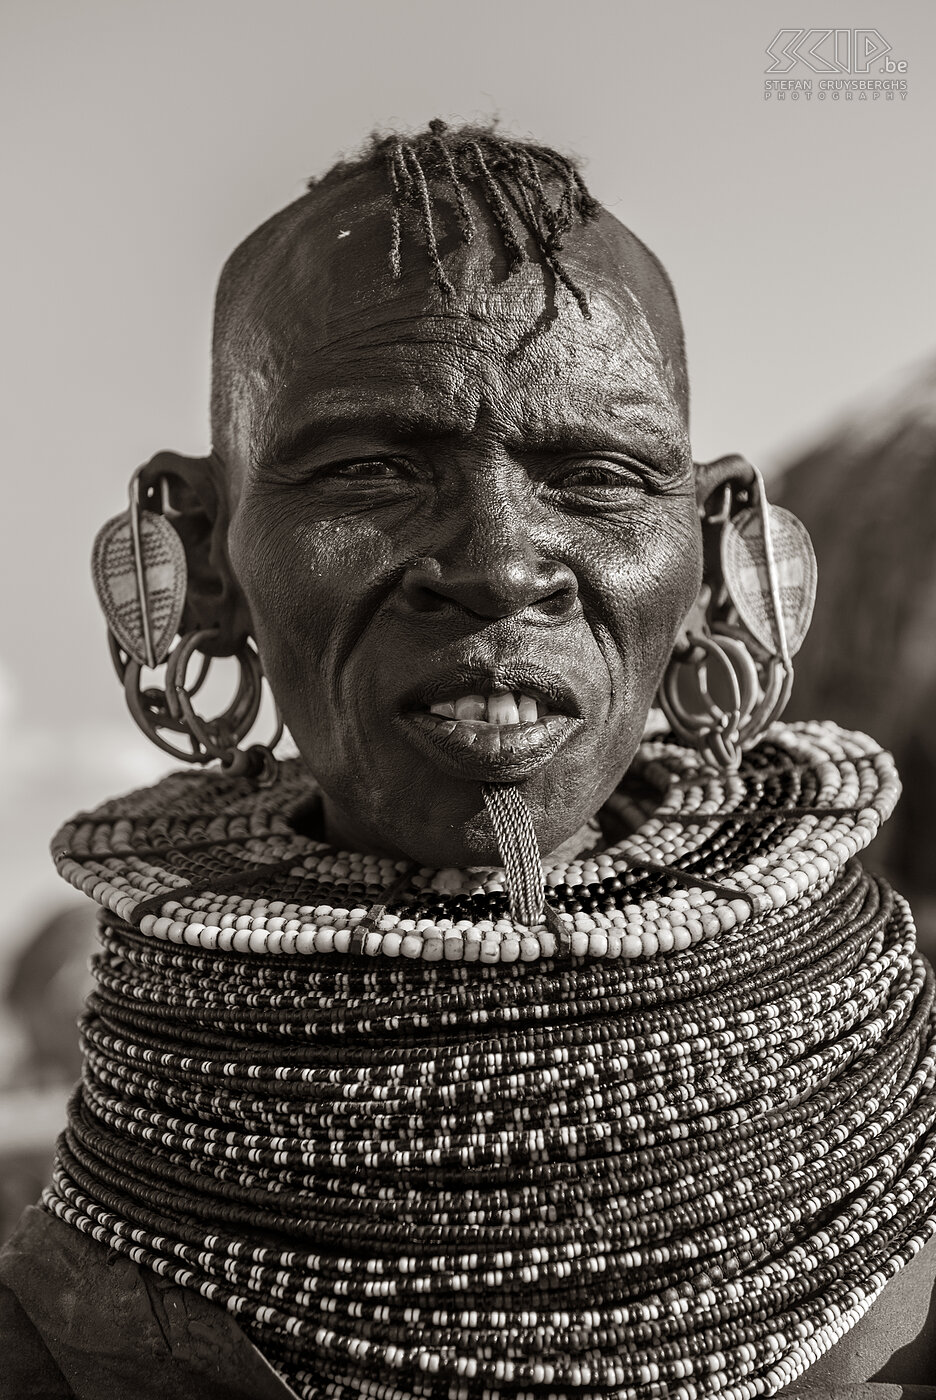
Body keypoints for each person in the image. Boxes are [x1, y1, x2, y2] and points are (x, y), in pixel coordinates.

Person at [1, 122, 934, 1399]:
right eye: (371, 467)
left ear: (718, 560)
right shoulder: (57, 1333)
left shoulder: (906, 1252)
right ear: (205, 552)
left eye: (597, 475)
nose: (498, 562)